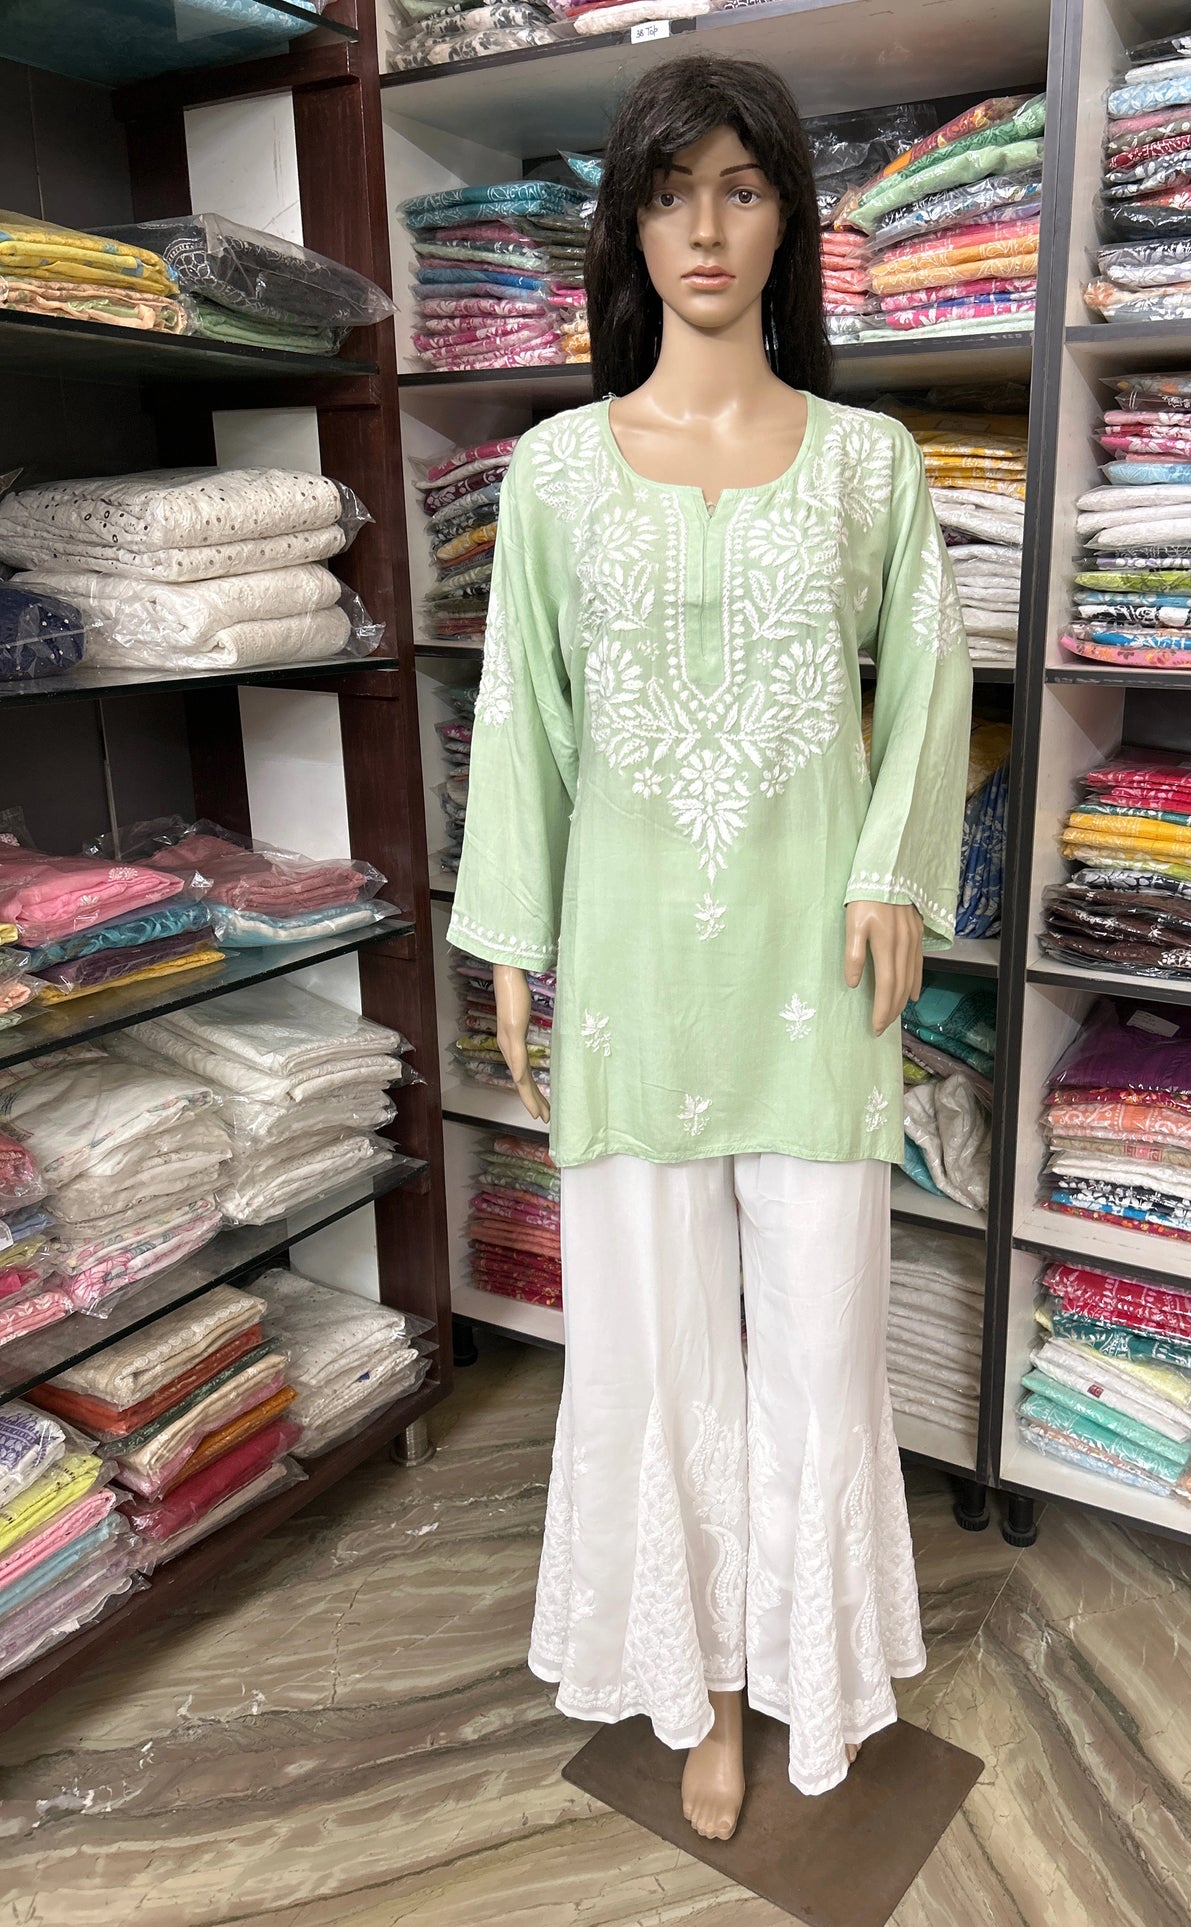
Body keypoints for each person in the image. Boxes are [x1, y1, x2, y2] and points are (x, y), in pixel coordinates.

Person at [449, 52, 972, 1840]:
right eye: (673, 191)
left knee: (817, 1340)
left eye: (742, 189)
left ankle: (808, 1670)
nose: (705, 228)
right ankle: (699, 1690)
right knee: (653, 1346)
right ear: (627, 219)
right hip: (622, 970)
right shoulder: (553, 472)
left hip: (816, 969)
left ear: (786, 221)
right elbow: (519, 716)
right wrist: (506, 938)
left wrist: (896, 870)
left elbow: (929, 679)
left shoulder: (866, 465)